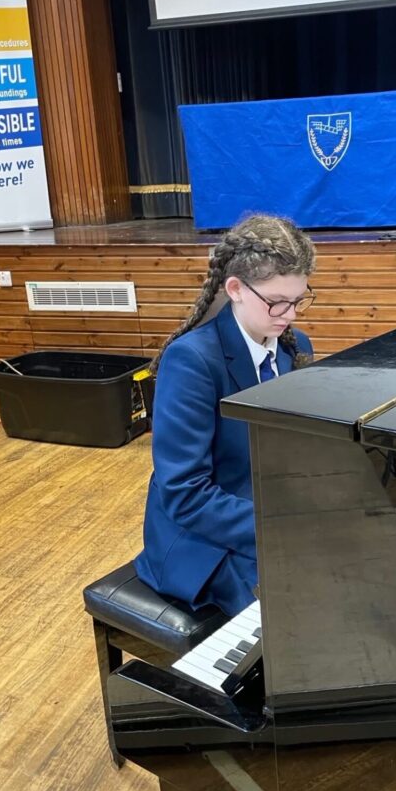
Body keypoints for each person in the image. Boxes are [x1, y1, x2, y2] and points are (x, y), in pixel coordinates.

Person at [134, 215, 316, 617]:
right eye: (277, 302)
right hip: (203, 536)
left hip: (266, 508)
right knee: (303, 607)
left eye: (299, 300)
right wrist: (280, 525)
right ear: (235, 289)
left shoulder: (295, 345)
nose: (290, 315)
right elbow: (184, 493)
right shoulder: (192, 360)